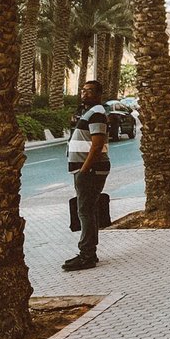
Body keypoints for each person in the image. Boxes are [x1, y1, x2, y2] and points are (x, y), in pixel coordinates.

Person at [63, 79, 110, 271]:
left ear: (99, 94)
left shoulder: (97, 113)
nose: (85, 93)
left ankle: (87, 255)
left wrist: (84, 170)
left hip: (91, 170)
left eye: (90, 91)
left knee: (85, 211)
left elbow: (97, 145)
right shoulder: (90, 113)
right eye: (83, 90)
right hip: (86, 169)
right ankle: (89, 252)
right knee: (88, 210)